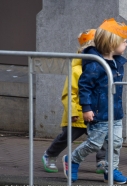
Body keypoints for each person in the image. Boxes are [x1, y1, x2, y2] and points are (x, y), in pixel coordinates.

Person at [62, 18, 127, 184]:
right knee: (94, 143)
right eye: (124, 42)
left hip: (115, 112)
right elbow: (84, 86)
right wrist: (86, 108)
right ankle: (72, 160)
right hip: (98, 112)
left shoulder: (116, 61)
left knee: (115, 143)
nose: (126, 45)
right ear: (112, 43)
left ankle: (111, 169)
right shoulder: (95, 64)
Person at [42, 29, 106, 174]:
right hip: (78, 112)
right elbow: (69, 93)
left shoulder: (100, 67)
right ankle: (50, 155)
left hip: (95, 112)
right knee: (66, 137)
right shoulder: (77, 69)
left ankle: (102, 161)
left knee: (102, 137)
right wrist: (73, 110)